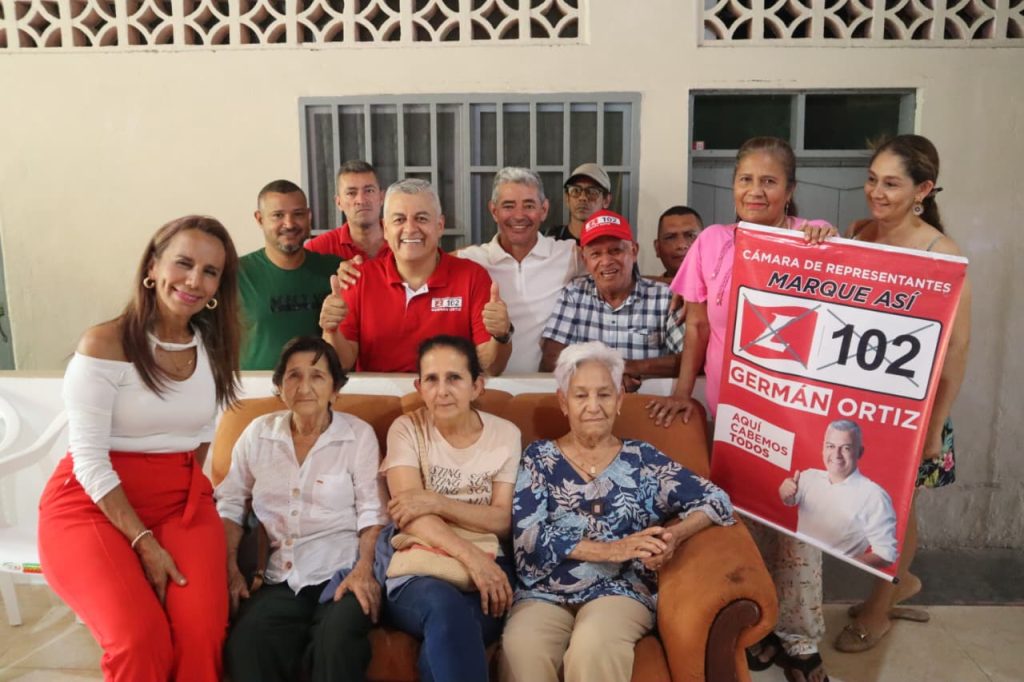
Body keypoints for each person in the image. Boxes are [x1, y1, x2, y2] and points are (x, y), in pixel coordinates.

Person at [645, 137, 835, 682]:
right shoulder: (712, 242)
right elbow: (696, 325)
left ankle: (800, 640)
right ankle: (759, 630)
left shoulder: (813, 238)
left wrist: (828, 244)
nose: (755, 190)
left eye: (769, 181)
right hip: (734, 412)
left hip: (799, 414)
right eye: (746, 179)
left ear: (789, 190)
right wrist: (683, 392)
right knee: (743, 521)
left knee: (799, 526)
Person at [37, 216, 241, 682]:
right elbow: (88, 459)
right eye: (183, 263)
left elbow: (199, 437)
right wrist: (143, 542)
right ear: (153, 266)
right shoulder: (105, 343)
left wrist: (184, 504)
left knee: (201, 635)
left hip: (182, 504)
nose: (194, 280)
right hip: (91, 504)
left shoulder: (214, 347)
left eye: (210, 272)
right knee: (139, 639)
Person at [500, 341, 734, 682]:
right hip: (543, 593)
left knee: (593, 646)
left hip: (619, 590)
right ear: (563, 402)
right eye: (581, 396)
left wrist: (673, 537)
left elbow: (716, 499)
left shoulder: (642, 460)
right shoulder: (539, 458)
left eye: (604, 395)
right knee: (521, 648)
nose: (593, 406)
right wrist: (612, 549)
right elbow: (528, 539)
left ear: (620, 400)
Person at [835, 134, 971, 653]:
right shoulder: (859, 232)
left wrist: (935, 426)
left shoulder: (942, 252)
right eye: (872, 179)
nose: (877, 192)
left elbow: (957, 347)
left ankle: (878, 609)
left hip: (916, 408)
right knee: (865, 502)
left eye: (891, 183)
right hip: (862, 399)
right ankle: (900, 581)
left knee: (896, 508)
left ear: (923, 190)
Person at [216, 336, 387, 682]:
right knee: (249, 642)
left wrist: (364, 569)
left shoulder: (357, 436)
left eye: (317, 376)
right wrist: (230, 567)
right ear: (280, 387)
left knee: (335, 643)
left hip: (342, 574)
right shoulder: (258, 433)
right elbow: (230, 504)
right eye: (293, 376)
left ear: (335, 389)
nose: (304, 387)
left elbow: (374, 514)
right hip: (279, 577)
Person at [379, 335, 521, 682]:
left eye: (454, 378)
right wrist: (472, 558)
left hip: (491, 565)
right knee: (446, 610)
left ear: (477, 386)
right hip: (420, 567)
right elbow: (409, 516)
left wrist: (436, 501)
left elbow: (501, 519)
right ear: (419, 387)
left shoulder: (505, 434)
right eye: (431, 379)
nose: (442, 391)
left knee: (448, 639)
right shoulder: (406, 429)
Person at [319, 178, 513, 375]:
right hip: (379, 393)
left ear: (440, 226)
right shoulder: (357, 278)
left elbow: (491, 367)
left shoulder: (472, 277)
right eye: (399, 220)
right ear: (385, 229)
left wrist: (501, 336)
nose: (410, 229)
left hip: (448, 392)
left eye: (421, 219)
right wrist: (330, 330)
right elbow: (341, 364)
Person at [456, 167, 583, 373]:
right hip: (488, 383)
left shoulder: (569, 254)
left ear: (544, 210)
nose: (519, 215)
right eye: (508, 206)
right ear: (494, 211)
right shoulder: (470, 259)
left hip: (547, 384)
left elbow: (614, 265)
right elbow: (426, 262)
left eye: (529, 205)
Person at [540, 210, 683, 391]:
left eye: (615, 251)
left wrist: (631, 367)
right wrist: (608, 375)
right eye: (595, 254)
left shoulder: (665, 297)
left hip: (650, 403)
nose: (606, 261)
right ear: (585, 259)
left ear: (634, 251)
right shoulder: (574, 294)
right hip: (589, 403)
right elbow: (551, 360)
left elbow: (691, 359)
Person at [239, 180, 341, 369]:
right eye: (278, 215)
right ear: (260, 219)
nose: (289, 224)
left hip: (320, 383)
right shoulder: (236, 274)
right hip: (255, 385)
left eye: (298, 214)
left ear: (309, 216)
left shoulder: (335, 270)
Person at [779, 420, 898, 568]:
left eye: (846, 448)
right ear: (823, 448)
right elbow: (790, 500)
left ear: (860, 452)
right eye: (831, 446)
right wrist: (784, 491)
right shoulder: (808, 476)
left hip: (833, 573)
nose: (837, 455)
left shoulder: (874, 496)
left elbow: (886, 554)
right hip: (794, 563)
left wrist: (842, 566)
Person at [305, 160, 390, 261]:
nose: (361, 200)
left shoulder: (401, 240)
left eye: (369, 191)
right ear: (339, 203)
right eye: (351, 193)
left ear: (382, 197)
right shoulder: (316, 250)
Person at [547, 163, 613, 242]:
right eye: (576, 190)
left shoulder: (614, 244)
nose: (582, 198)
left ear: (606, 201)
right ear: (567, 198)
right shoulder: (549, 240)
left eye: (592, 192)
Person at [651, 205, 703, 282]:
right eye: (670, 237)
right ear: (657, 248)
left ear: (706, 244)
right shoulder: (645, 289)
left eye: (690, 236)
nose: (681, 245)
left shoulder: (721, 287)